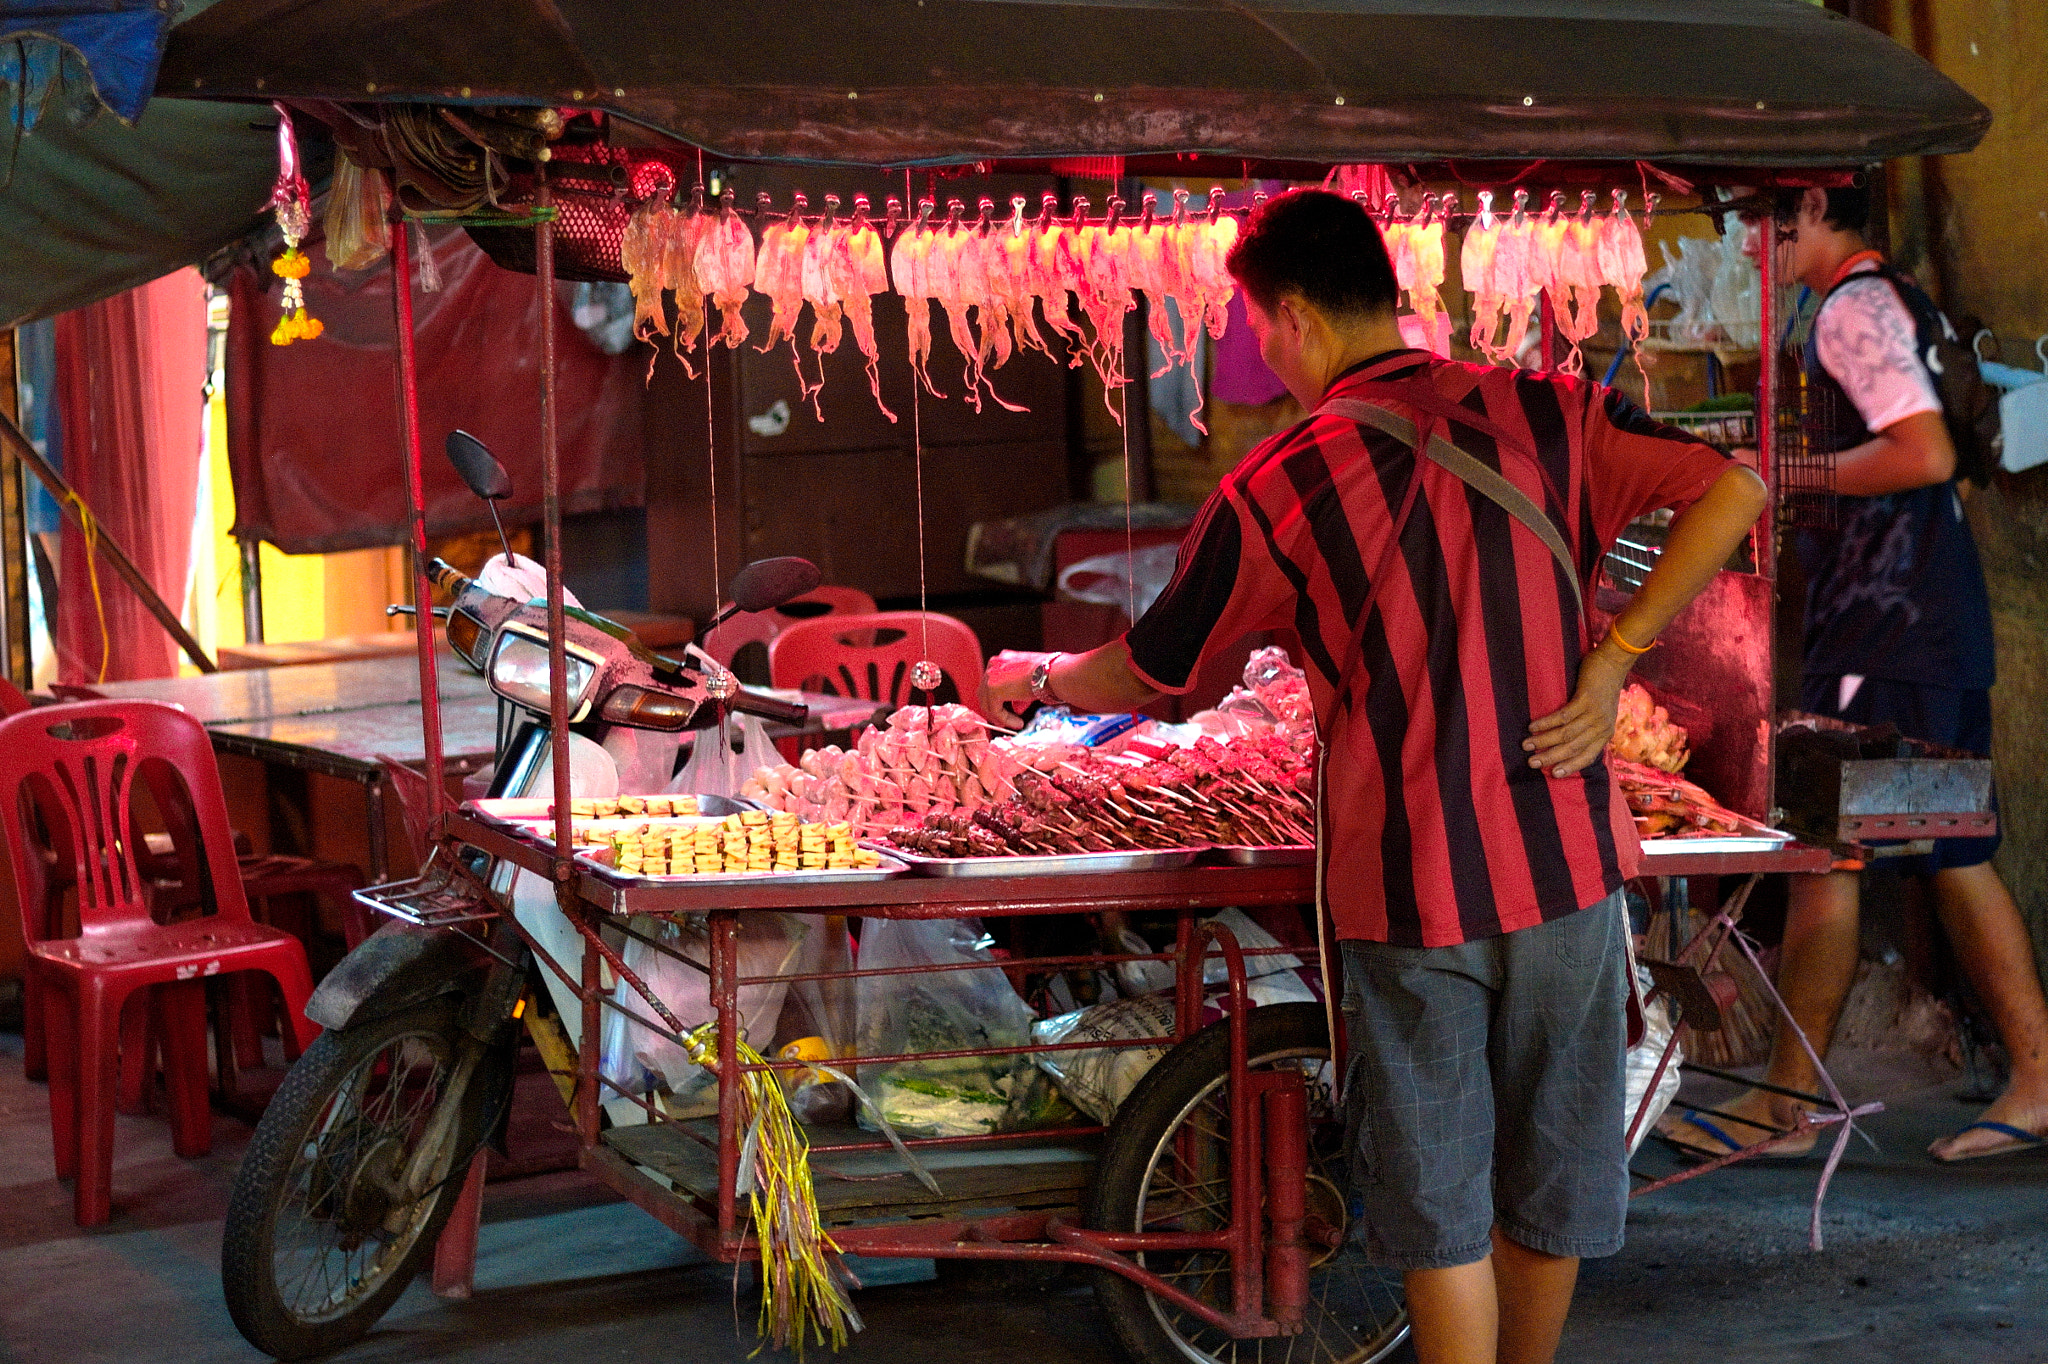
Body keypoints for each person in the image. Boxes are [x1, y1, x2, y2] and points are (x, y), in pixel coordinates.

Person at [982, 190, 1766, 1364]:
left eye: (1255, 329)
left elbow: (1154, 668)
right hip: (1564, 863)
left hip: (1407, 884)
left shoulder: (1281, 480)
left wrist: (1034, 673)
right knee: (1550, 1174)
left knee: (1441, 1201)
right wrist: (1612, 658)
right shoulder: (1540, 410)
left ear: (1291, 317)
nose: (1263, 355)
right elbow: (1734, 486)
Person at [1660, 185, 2048, 1165]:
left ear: (1814, 203)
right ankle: (2037, 1079)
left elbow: (1919, 453)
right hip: (1920, 624)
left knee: (1827, 853)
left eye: (1759, 220)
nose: (1748, 244)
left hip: (1887, 626)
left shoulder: (1851, 307)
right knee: (1950, 848)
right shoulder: (1886, 296)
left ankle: (1783, 1107)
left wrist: (1787, 473)